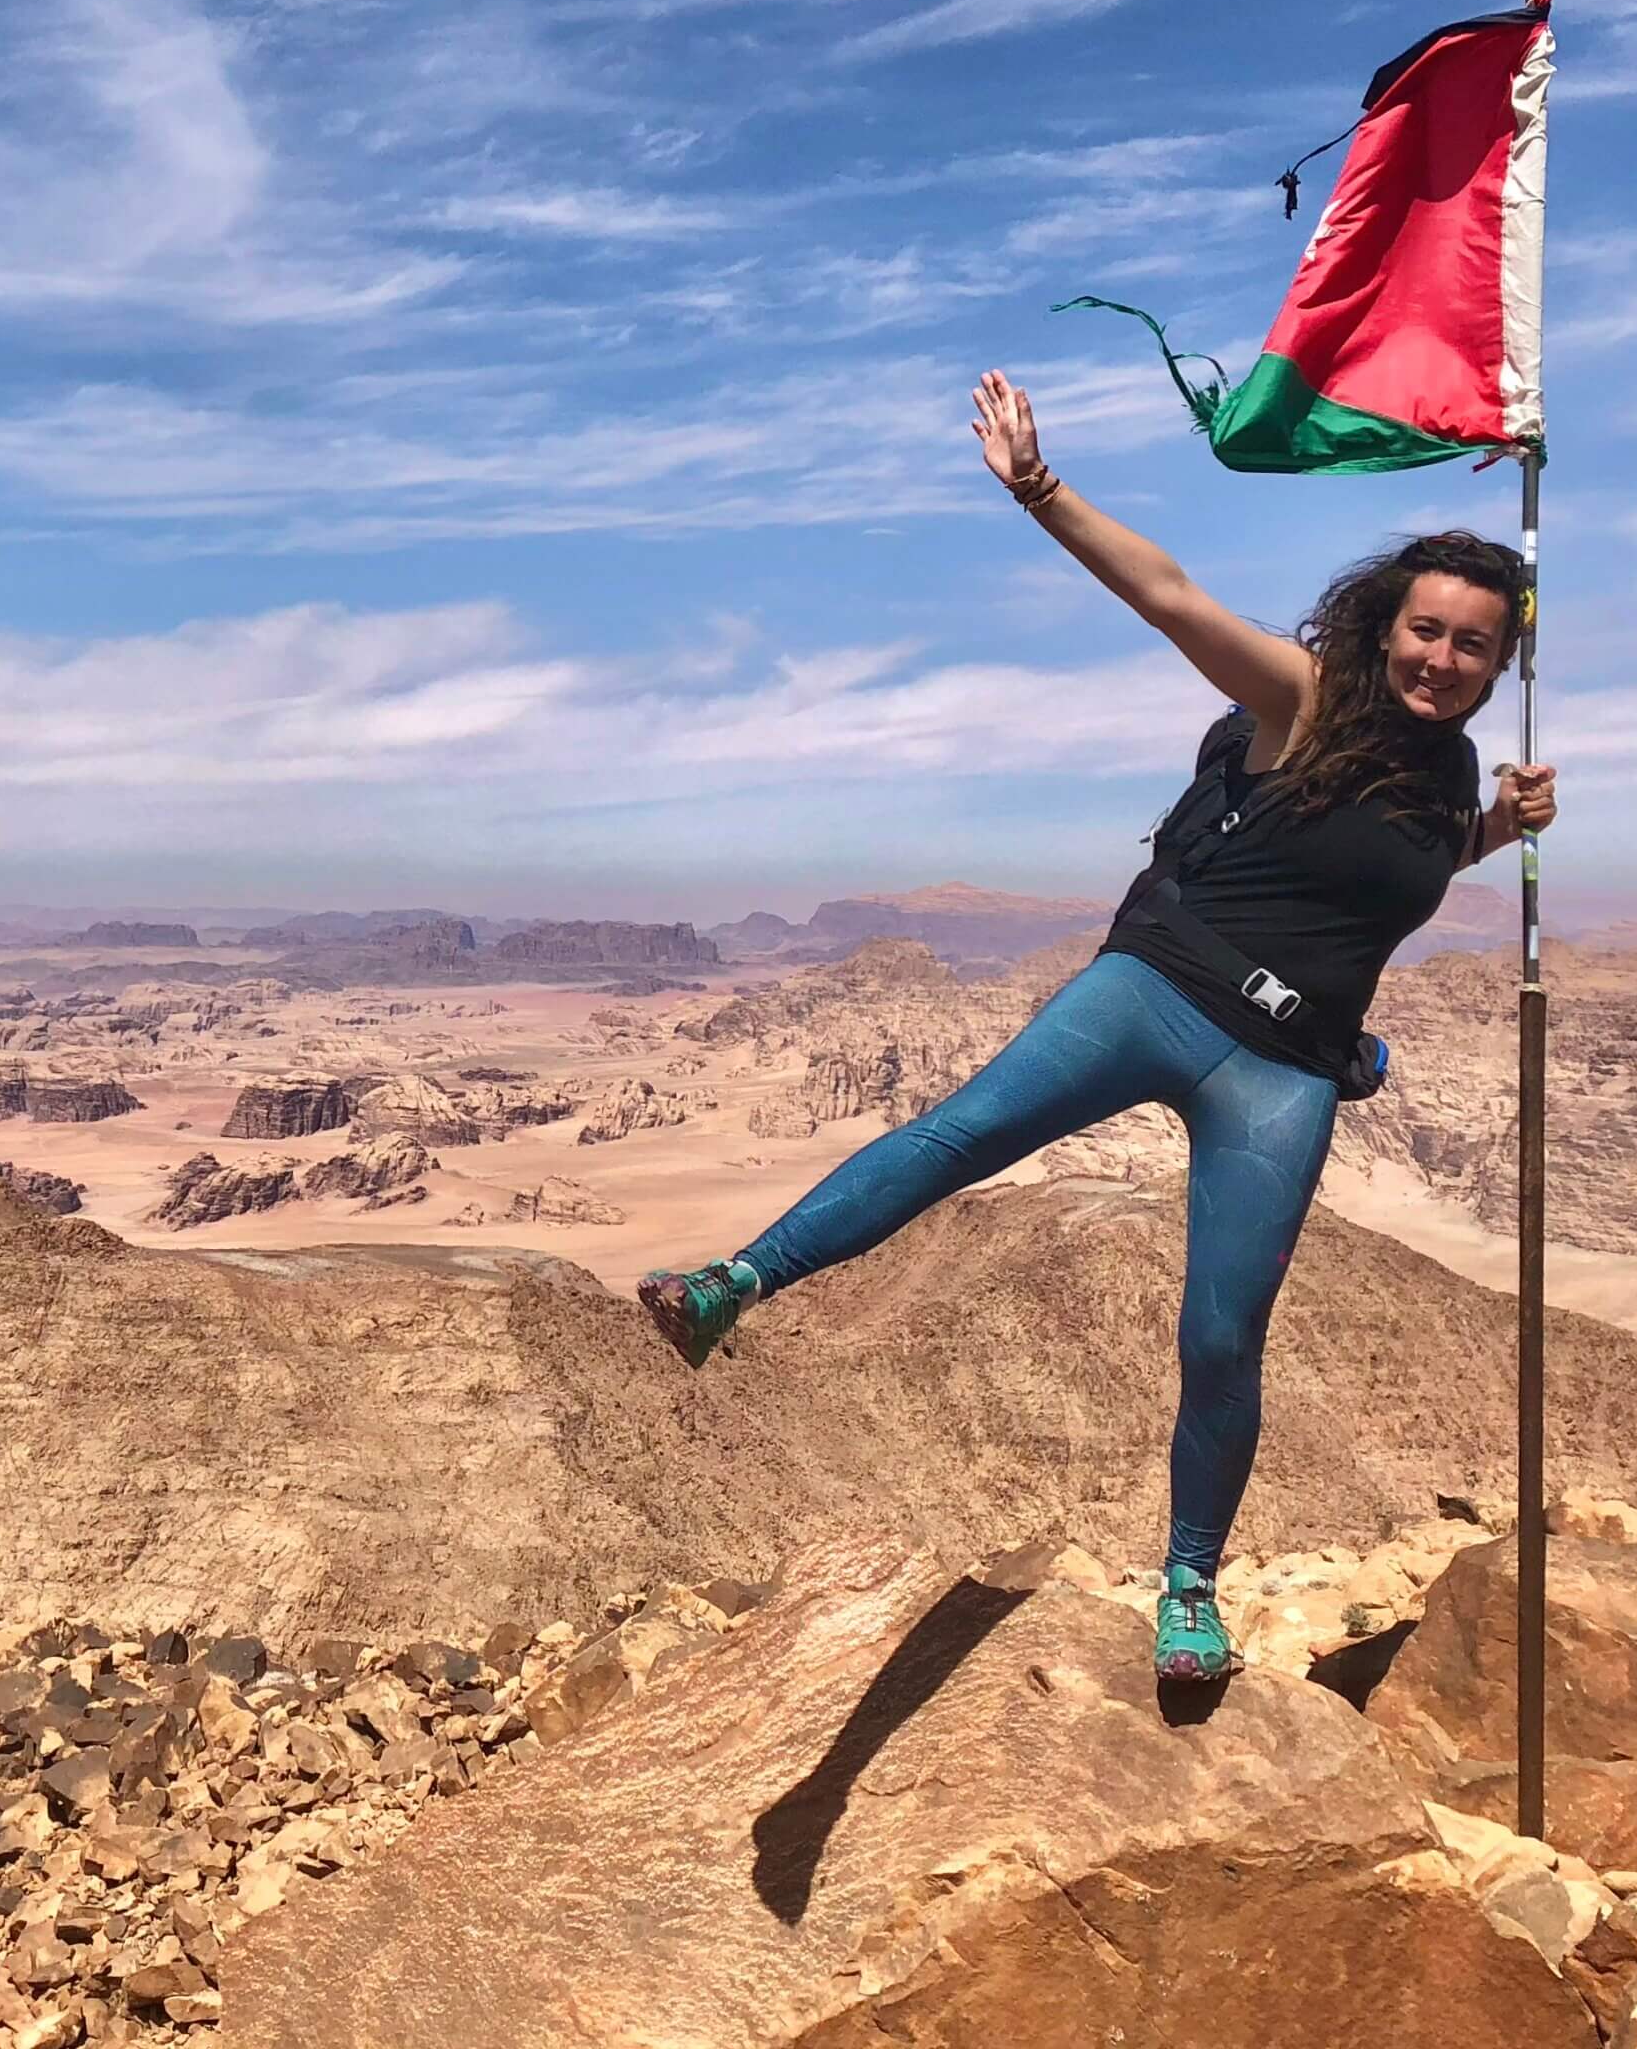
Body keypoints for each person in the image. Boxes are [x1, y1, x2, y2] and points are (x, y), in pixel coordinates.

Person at [638, 367, 1558, 1682]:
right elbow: (1170, 595)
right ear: (1385, 626)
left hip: (1285, 1070)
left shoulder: (1452, 768)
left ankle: (1189, 1590)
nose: (1443, 658)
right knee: (965, 1135)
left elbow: (1379, 876)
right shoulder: (1302, 697)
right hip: (1156, 992)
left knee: (1223, 1333)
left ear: (1499, 660)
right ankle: (734, 1284)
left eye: (1473, 644)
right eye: (1426, 631)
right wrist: (1041, 490)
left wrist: (1489, 833)